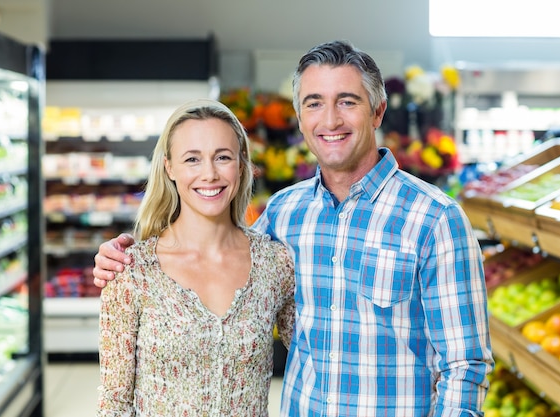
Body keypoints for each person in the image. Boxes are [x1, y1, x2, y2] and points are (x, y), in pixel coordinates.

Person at [94, 41, 493, 417]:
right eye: (314, 103)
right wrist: (124, 252)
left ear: (377, 112)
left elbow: (465, 366)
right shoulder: (283, 216)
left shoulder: (435, 219)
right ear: (300, 119)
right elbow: (213, 244)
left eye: (347, 102)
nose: (331, 119)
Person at [96, 98, 295, 416]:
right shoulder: (132, 272)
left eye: (223, 157)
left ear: (241, 165)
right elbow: (114, 403)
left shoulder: (275, 264)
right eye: (192, 159)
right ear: (169, 167)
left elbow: (317, 354)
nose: (210, 173)